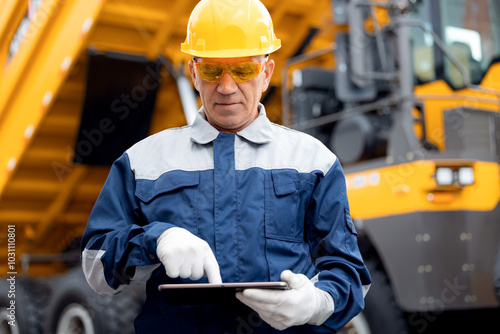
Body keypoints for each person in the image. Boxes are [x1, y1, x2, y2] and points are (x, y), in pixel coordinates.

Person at [81, 0, 371, 332]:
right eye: (212, 70)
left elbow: (349, 273)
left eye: (244, 69)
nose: (227, 86)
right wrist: (155, 240)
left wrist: (316, 302)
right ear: (193, 73)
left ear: (266, 74)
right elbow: (94, 264)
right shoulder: (142, 162)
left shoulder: (314, 161)